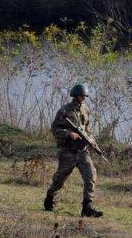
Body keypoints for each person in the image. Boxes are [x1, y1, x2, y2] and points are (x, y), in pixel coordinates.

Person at [44, 83, 104, 218]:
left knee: (91, 176)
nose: (83, 98)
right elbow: (54, 129)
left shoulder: (85, 110)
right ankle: (49, 197)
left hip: (82, 151)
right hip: (68, 152)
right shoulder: (64, 111)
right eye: (81, 96)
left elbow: (87, 129)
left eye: (84, 96)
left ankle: (87, 207)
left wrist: (92, 139)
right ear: (75, 96)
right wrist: (68, 134)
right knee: (60, 179)